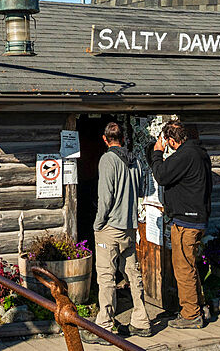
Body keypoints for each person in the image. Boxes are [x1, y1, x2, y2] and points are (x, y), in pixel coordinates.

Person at [82, 121, 151, 345]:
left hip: (110, 227)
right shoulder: (135, 161)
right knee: (132, 273)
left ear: (105, 139)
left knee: (106, 276)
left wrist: (97, 223)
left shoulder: (107, 160)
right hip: (129, 226)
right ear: (123, 138)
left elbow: (106, 196)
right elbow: (141, 190)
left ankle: (104, 325)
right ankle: (142, 319)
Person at [149, 120, 212, 329]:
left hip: (187, 221)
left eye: (167, 140)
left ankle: (190, 315)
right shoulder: (198, 152)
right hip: (196, 219)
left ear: (171, 140)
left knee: (183, 269)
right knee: (190, 266)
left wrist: (157, 152)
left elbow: (161, 175)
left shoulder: (185, 155)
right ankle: (198, 306)